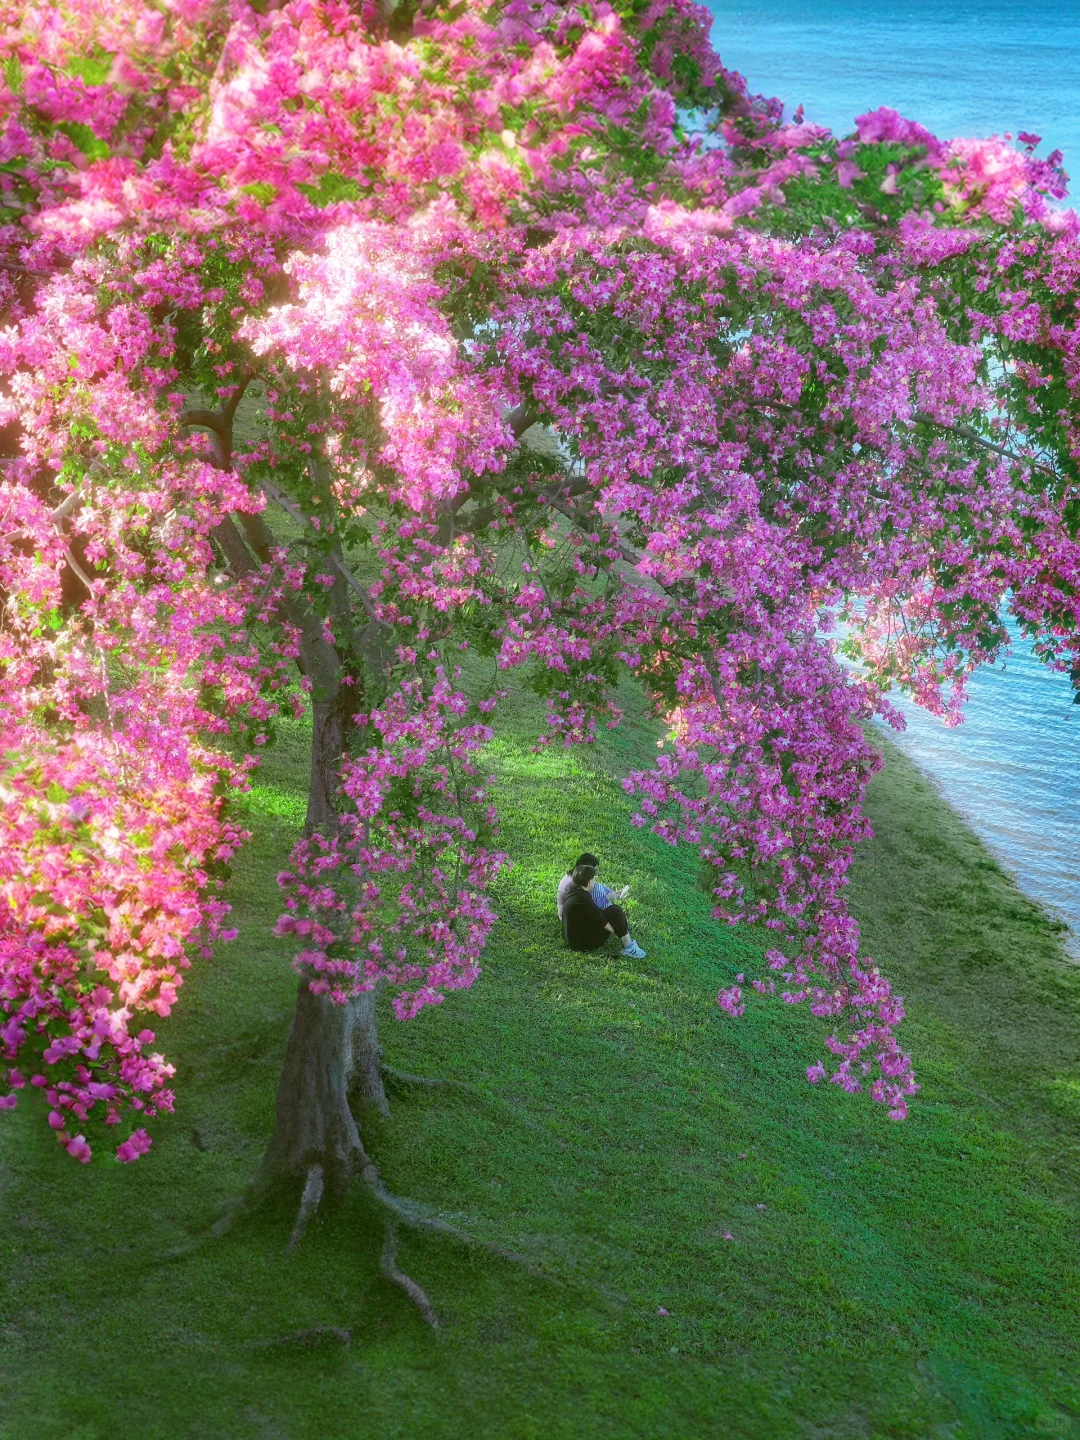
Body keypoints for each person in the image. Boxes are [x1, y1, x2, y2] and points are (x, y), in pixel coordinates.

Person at [561, 862, 645, 959]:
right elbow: (599, 918)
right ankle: (629, 947)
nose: (595, 880)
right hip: (582, 943)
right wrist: (614, 931)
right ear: (588, 882)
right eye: (593, 878)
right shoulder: (583, 898)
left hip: (572, 937)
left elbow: (592, 911)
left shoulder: (572, 888)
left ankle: (623, 932)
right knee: (615, 911)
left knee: (612, 911)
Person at [556, 852, 629, 924]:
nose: (596, 874)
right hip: (573, 918)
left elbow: (597, 885)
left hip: (580, 911)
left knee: (597, 888)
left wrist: (613, 893)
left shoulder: (579, 877)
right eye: (595, 870)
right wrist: (607, 898)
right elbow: (588, 906)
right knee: (597, 891)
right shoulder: (574, 884)